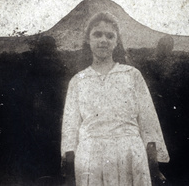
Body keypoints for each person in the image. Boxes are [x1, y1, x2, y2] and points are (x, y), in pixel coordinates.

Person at [61, 12, 169, 186]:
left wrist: (153, 166)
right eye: (97, 34)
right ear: (88, 40)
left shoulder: (132, 75)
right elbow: (70, 128)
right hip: (90, 159)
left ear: (117, 41)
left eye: (110, 36)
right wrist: (69, 174)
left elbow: (149, 122)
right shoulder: (78, 81)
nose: (103, 40)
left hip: (130, 155)